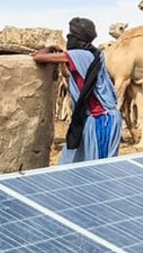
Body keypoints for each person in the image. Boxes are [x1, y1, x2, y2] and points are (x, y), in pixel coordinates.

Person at [32, 17, 122, 163]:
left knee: (98, 168)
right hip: (95, 119)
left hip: (101, 121)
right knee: (76, 161)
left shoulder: (79, 55)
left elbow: (38, 57)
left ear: (76, 38)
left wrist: (51, 47)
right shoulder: (95, 54)